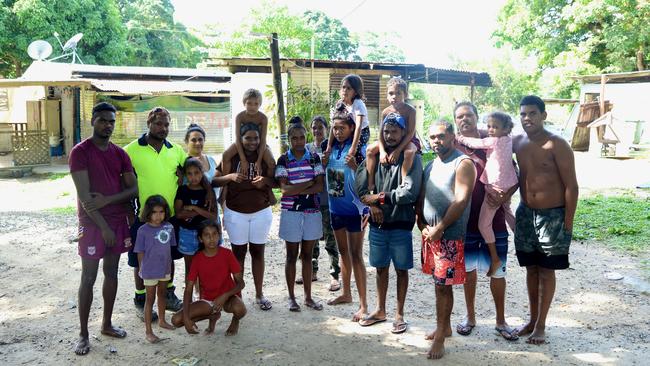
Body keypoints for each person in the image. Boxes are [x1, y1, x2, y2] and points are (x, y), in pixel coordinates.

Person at [69, 102, 138, 355]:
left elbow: (134, 189)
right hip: (92, 224)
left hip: (117, 221)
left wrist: (109, 201)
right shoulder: (80, 152)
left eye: (111, 121)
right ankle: (83, 334)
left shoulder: (120, 154)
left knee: (112, 272)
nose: (108, 125)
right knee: (88, 277)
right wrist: (103, 227)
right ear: (92, 121)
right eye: (103, 120)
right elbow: (86, 197)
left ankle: (107, 324)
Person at [512, 95, 578, 345]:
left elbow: (572, 185)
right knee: (531, 269)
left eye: (532, 113)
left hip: (553, 216)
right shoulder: (517, 142)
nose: (527, 118)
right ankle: (531, 319)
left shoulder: (557, 144)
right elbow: (491, 143)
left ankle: (541, 324)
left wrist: (568, 220)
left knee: (547, 270)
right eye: (523, 114)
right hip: (526, 213)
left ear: (543, 115)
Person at [453, 102, 518, 341]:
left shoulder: (494, 137)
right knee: (469, 272)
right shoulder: (454, 145)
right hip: (466, 221)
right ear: (456, 121)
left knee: (497, 270)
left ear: (476, 117)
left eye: (468, 115)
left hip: (496, 218)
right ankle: (470, 317)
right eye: (459, 117)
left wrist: (506, 195)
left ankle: (501, 321)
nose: (464, 119)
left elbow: (514, 172)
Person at [355, 114, 423, 334]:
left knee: (402, 270)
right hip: (378, 226)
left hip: (401, 224)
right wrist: (372, 205)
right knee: (380, 268)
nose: (390, 136)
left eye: (395, 132)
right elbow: (362, 188)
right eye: (386, 131)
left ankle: (399, 314)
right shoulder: (375, 155)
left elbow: (409, 193)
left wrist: (380, 198)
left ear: (403, 133)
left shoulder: (412, 157)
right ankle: (380, 309)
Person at [416, 120, 476, 359]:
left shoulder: (463, 163)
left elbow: (460, 200)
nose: (436, 141)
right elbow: (421, 196)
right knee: (438, 284)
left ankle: (441, 336)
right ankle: (445, 326)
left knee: (443, 286)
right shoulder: (430, 165)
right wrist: (421, 224)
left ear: (453, 136)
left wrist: (440, 227)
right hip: (431, 236)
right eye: (432, 137)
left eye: (441, 136)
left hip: (449, 236)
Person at [124, 107, 188, 319]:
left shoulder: (176, 150)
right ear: (149, 123)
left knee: (167, 256)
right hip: (142, 218)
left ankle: (168, 294)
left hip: (168, 218)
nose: (163, 128)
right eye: (159, 123)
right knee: (140, 260)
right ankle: (141, 300)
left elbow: (192, 168)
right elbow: (121, 180)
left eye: (167, 124)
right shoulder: (131, 150)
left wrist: (183, 176)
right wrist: (128, 211)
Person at [213, 123, 275, 311]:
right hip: (235, 213)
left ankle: (259, 294)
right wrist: (230, 177)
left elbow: (278, 181)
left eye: (256, 138)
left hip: (261, 212)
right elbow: (214, 180)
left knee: (258, 252)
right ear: (240, 139)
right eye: (248, 138)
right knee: (238, 254)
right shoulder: (231, 156)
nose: (252, 142)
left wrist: (265, 181)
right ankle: (236, 295)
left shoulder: (265, 154)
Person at [456, 111, 517, 277]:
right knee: (507, 211)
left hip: (494, 186)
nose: (490, 129)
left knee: (484, 224)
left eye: (495, 127)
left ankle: (495, 258)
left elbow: (477, 143)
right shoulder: (508, 140)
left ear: (505, 129)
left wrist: (460, 138)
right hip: (507, 183)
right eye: (489, 126)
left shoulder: (493, 140)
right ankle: (520, 237)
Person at [322, 106, 369, 322]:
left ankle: (363, 305)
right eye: (335, 128)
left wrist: (357, 164)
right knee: (342, 252)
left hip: (355, 209)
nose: (338, 131)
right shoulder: (328, 148)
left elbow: (369, 175)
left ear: (352, 128)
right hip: (335, 208)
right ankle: (346, 293)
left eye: (342, 128)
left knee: (356, 255)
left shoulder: (358, 149)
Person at [276, 122, 325, 312]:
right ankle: (291, 298)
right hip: (291, 212)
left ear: (307, 138)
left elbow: (320, 187)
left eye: (302, 137)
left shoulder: (314, 158)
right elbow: (284, 190)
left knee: (307, 255)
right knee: (291, 255)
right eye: (294, 138)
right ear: (289, 140)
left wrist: (296, 187)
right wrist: (307, 184)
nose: (298, 141)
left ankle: (308, 297)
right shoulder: (283, 160)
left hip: (312, 211)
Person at [171, 220, 247, 336]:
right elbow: (188, 289)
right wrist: (186, 318)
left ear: (219, 235)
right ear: (200, 239)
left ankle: (235, 321)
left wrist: (225, 295)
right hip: (208, 301)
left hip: (228, 297)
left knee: (240, 310)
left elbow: (240, 284)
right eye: (207, 235)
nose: (211, 239)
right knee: (176, 320)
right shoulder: (197, 259)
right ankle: (213, 315)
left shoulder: (227, 254)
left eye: (215, 234)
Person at [299, 115, 341, 292]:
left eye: (320, 127)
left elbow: (338, 172)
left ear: (327, 129)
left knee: (331, 239)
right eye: (314, 127)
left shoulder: (332, 147)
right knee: (310, 238)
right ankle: (311, 271)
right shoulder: (306, 149)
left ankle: (334, 275)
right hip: (311, 200)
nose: (317, 130)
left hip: (329, 200)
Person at [133, 195, 177, 343]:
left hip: (164, 269)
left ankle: (162, 320)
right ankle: (148, 331)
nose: (158, 216)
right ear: (148, 213)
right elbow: (140, 251)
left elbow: (169, 249)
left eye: (161, 212)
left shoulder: (169, 227)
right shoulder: (142, 230)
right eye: (154, 212)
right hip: (149, 271)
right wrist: (141, 268)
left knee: (162, 294)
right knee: (149, 299)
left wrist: (169, 268)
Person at [220, 88, 275, 204]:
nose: (252, 107)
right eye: (249, 103)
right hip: (242, 141)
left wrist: (259, 161)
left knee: (271, 162)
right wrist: (243, 159)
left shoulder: (263, 118)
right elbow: (237, 138)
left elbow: (263, 139)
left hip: (260, 142)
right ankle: (225, 186)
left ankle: (269, 189)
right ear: (244, 103)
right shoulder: (240, 116)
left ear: (260, 104)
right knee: (226, 155)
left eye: (256, 104)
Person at [365, 77, 419, 194]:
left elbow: (410, 133)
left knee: (409, 152)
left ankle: (403, 184)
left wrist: (398, 150)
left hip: (407, 140)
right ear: (387, 96)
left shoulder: (410, 111)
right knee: (370, 150)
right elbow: (381, 134)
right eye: (391, 93)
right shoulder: (385, 112)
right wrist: (383, 151)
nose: (394, 96)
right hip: (389, 139)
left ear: (405, 94)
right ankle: (370, 185)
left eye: (398, 93)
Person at [174, 157, 218, 290]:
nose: (193, 177)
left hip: (205, 234)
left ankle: (204, 296)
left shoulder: (207, 192)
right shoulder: (182, 190)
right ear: (186, 175)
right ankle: (189, 299)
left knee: (206, 265)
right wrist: (202, 212)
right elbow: (179, 214)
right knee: (190, 267)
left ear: (202, 172)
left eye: (197, 173)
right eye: (189, 173)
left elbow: (213, 216)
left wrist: (195, 209)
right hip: (186, 233)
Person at [324, 74, 369, 164]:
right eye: (343, 87)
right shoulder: (340, 103)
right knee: (325, 144)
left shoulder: (358, 104)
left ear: (355, 92)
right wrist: (329, 145)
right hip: (348, 129)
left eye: (349, 88)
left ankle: (360, 168)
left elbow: (359, 126)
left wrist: (353, 147)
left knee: (357, 151)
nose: (345, 90)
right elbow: (334, 124)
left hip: (362, 131)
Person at [184, 123, 220, 222]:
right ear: (186, 142)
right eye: (193, 140)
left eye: (200, 139)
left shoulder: (211, 160)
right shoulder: (183, 162)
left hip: (212, 213)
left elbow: (219, 187)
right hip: (192, 216)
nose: (198, 143)